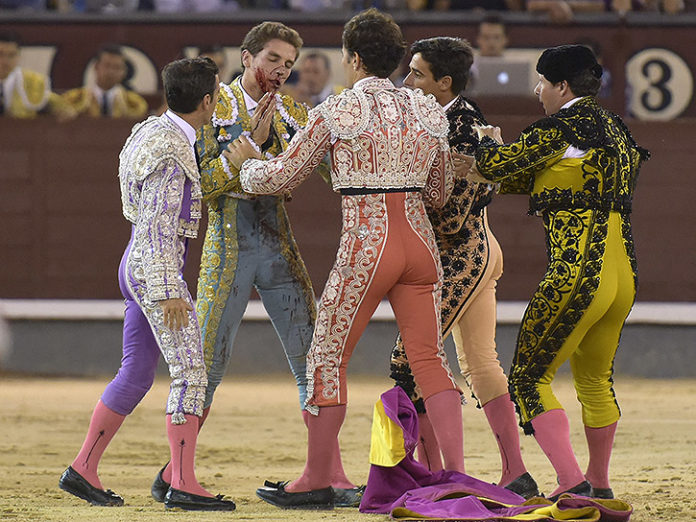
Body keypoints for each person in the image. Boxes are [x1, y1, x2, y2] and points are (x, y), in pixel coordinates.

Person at [226, 8, 465, 509]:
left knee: (327, 356)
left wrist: (248, 167)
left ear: (354, 58)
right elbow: (440, 192)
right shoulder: (427, 110)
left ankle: (316, 476)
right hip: (420, 244)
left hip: (368, 244)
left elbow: (280, 180)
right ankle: (455, 473)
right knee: (429, 359)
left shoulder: (337, 112)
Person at [148, 21, 361, 509]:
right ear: (246, 58)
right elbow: (196, 184)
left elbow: (329, 172)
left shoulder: (294, 110)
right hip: (228, 246)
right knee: (206, 363)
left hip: (277, 242)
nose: (280, 71)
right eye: (272, 60)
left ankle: (329, 471)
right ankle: (180, 473)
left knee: (313, 357)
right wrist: (248, 146)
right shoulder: (210, 104)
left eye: (288, 64)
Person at [467, 44, 649, 500]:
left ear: (562, 86)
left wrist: (487, 141)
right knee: (594, 380)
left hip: (577, 275)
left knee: (529, 379)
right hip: (622, 277)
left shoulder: (560, 127)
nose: (538, 91)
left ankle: (572, 482)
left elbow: (495, 164)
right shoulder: (617, 132)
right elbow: (547, 176)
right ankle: (600, 484)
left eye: (543, 83)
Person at [58, 57, 236, 511]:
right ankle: (183, 482)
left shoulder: (150, 131)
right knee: (191, 373)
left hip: (135, 261)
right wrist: (168, 287)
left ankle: (83, 467)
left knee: (136, 372)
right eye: (217, 93)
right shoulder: (172, 152)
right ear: (207, 101)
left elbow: (136, 211)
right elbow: (158, 225)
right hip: (156, 268)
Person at [390, 36, 538, 499]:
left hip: (462, 255)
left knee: (411, 362)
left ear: (443, 82)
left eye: (416, 73)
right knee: (480, 361)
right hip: (469, 253)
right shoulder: (440, 118)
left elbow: (452, 217)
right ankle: (515, 471)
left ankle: (441, 474)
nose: (406, 80)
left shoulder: (464, 127)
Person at [0, 31, 75, 120]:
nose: (5, 61)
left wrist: (64, 110)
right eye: (0, 54)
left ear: (19, 56)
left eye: (11, 55)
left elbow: (58, 104)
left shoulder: (32, 81)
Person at [62, 45, 148, 118]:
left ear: (124, 72)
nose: (111, 72)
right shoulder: (73, 98)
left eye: (117, 67)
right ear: (96, 67)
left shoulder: (135, 103)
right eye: (107, 65)